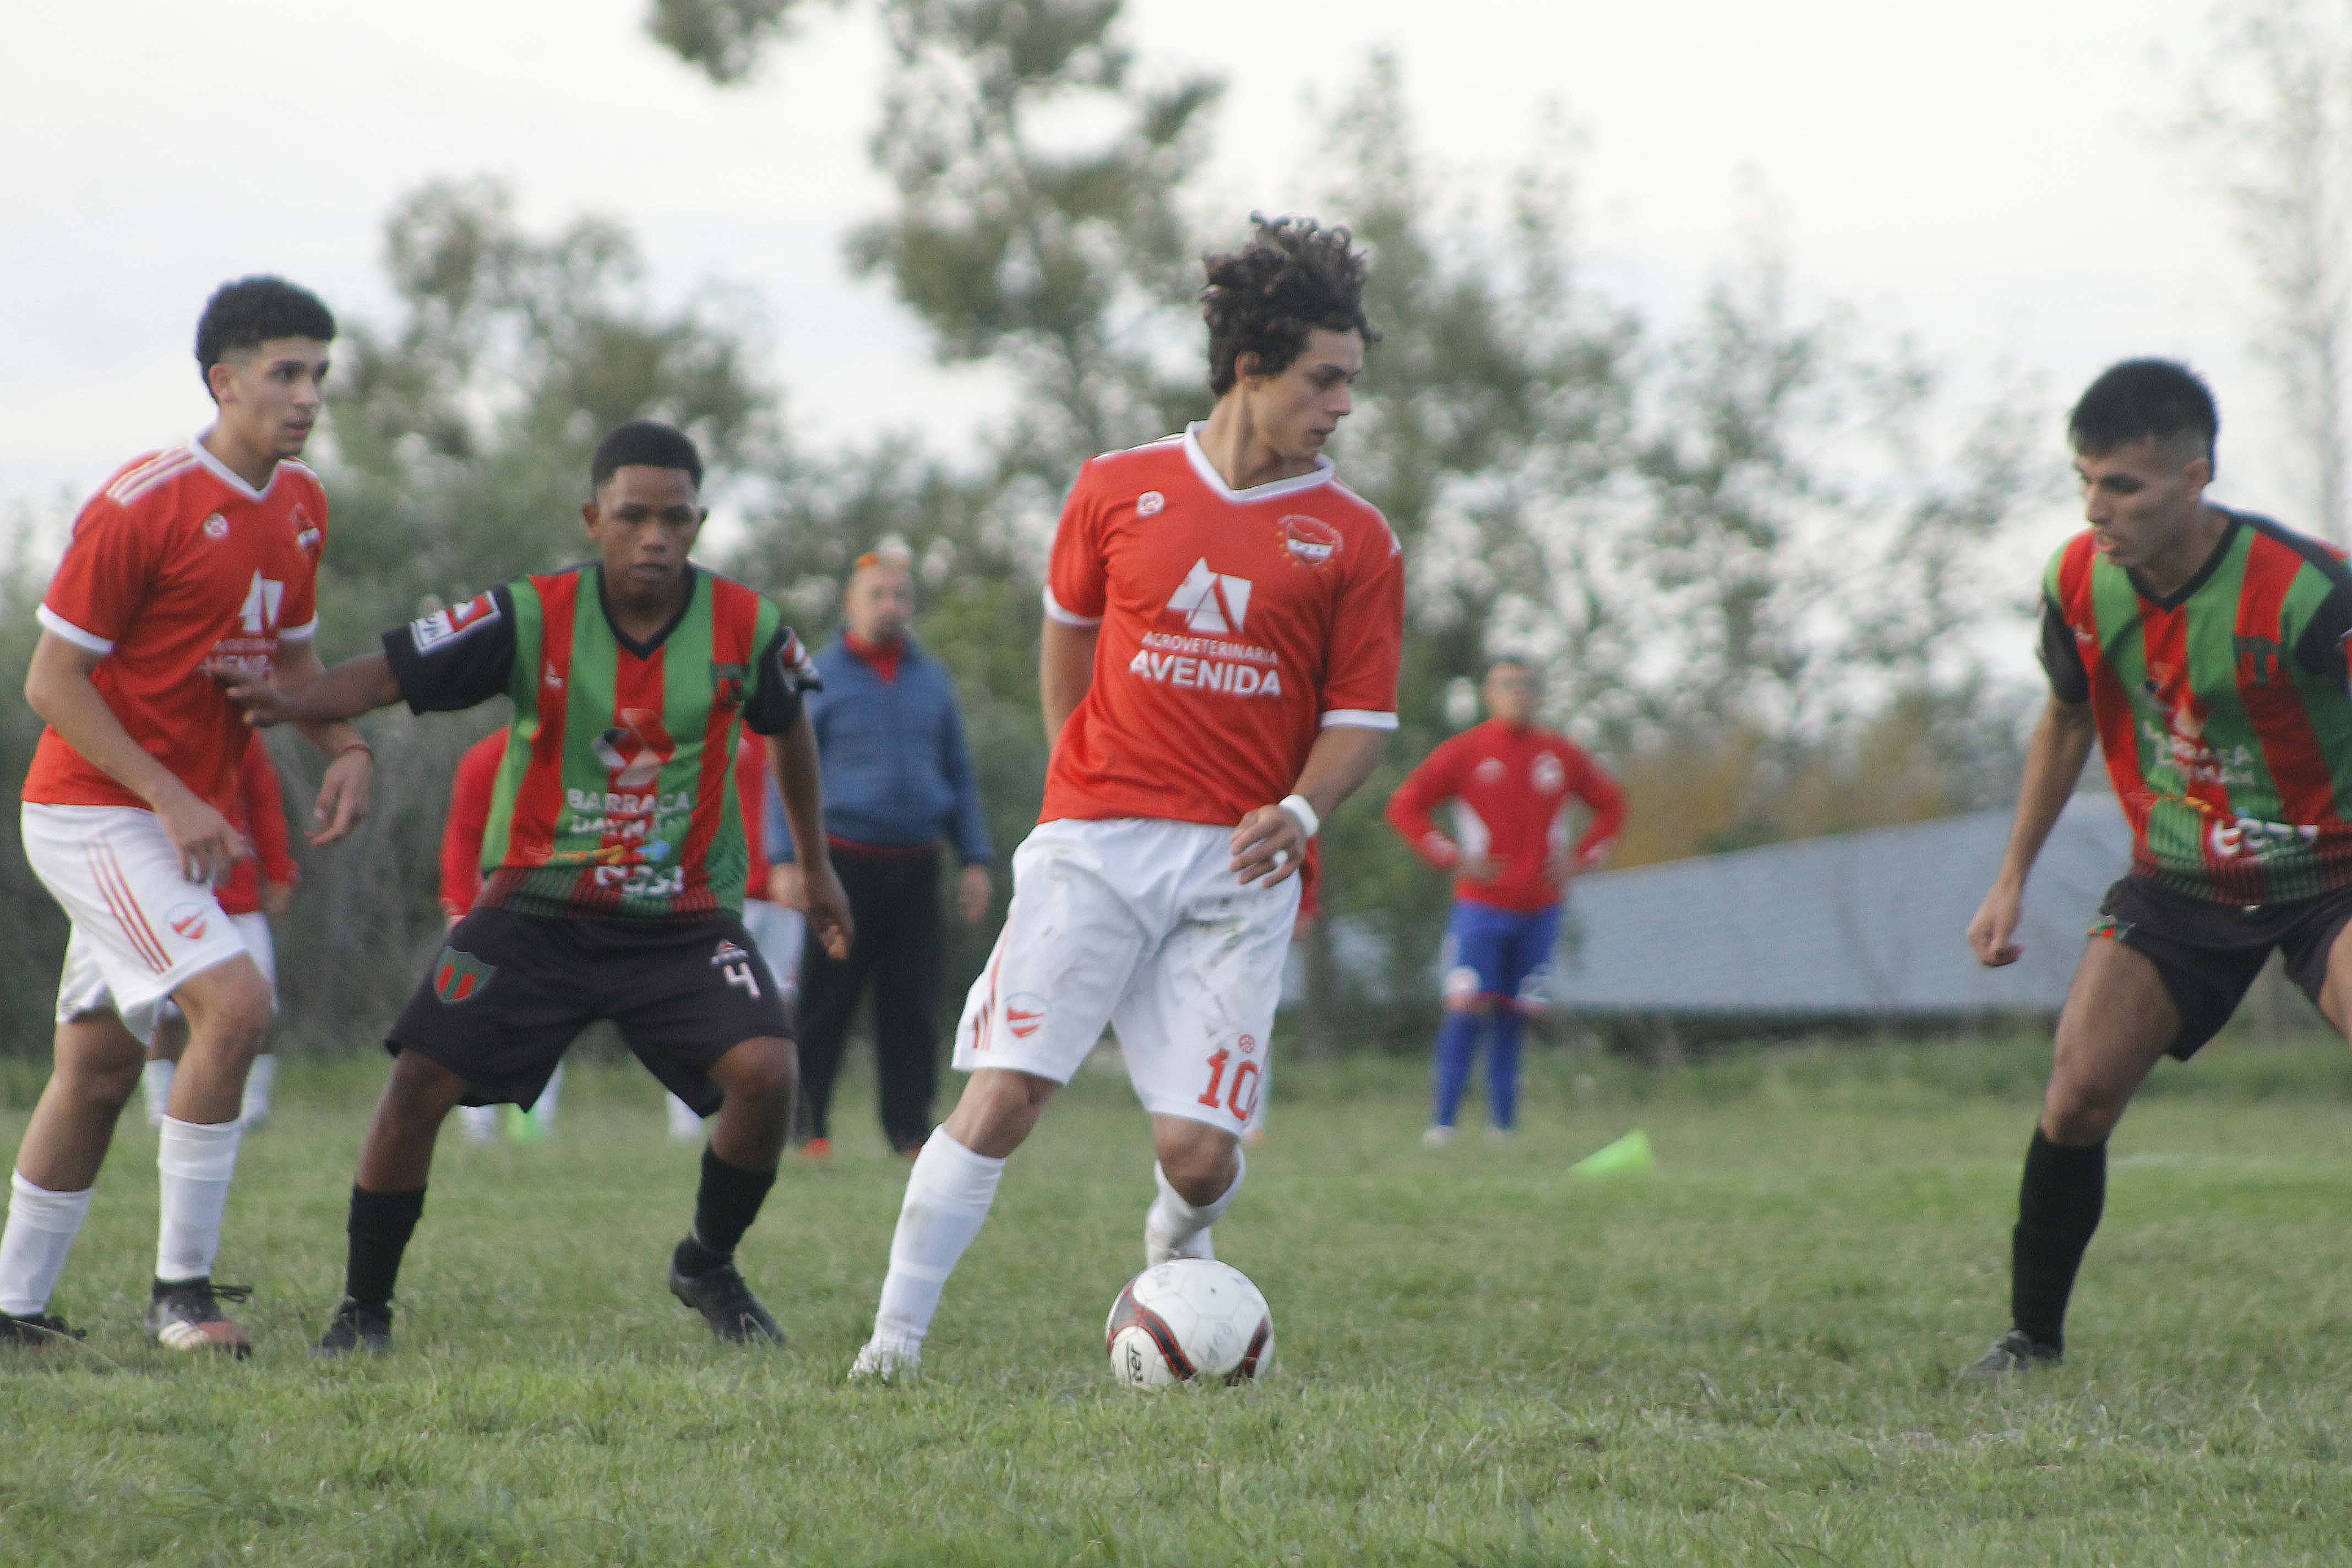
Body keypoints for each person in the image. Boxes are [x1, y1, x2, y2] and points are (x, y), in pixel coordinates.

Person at [848, 216, 1404, 1381]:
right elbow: (1070, 637)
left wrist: (1299, 813)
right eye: (1326, 379)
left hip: (1239, 870)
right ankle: (891, 1347)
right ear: (1250, 367)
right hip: (1095, 847)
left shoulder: (1355, 538)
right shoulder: (1118, 489)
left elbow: (1362, 717)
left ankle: (1179, 1242)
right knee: (1001, 1100)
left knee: (1198, 1154)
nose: (1343, 405)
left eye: (1351, 380)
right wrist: (1075, 784)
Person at [219, 420, 851, 1355]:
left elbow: (788, 724)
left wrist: (819, 861)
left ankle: (707, 1260)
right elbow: (394, 670)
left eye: (675, 518)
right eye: (632, 515)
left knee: (768, 1072)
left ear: (701, 521)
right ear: (594, 517)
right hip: (534, 907)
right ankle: (363, 1308)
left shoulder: (747, 625)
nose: (655, 536)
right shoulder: (531, 612)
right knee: (417, 1078)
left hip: (679, 920)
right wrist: (294, 699)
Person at [1, 277, 372, 1354]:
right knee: (238, 1007)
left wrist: (342, 741)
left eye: (319, 373)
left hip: (164, 823)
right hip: (96, 812)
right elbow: (53, 681)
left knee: (102, 1066)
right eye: (284, 372)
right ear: (224, 379)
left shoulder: (301, 504)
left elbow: (291, 661)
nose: (306, 395)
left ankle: (14, 1307)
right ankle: (181, 1295)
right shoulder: (144, 501)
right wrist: (173, 793)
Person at [1962, 358, 2352, 1378]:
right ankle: (2029, 1341)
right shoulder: (2075, 580)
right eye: (2083, 480)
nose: (2098, 507)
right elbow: (2066, 713)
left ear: (2194, 476)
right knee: (2077, 1092)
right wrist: (2010, 876)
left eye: (2122, 485)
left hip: (2332, 872)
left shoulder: (2311, 590)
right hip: (2181, 875)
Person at [441, 726, 800, 1142]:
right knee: (503, 1012)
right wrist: (460, 905)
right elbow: (464, 837)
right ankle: (478, 1130)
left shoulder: (618, 750)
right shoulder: (489, 759)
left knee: (736, 1011)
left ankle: (543, 1120)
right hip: (506, 906)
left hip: (596, 901)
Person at [770, 547, 993, 1159]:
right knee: (825, 1001)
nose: (890, 605)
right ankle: (808, 1127)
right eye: (878, 594)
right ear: (851, 602)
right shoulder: (817, 674)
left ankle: (910, 1132)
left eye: (900, 595)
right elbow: (783, 771)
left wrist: (975, 858)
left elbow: (958, 773)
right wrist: (786, 856)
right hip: (840, 863)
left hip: (916, 861)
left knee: (913, 1005)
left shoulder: (932, 679)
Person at [1385, 657, 1623, 1146]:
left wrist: (1581, 859)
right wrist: (1449, 853)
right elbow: (1406, 806)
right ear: (1489, 694)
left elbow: (1611, 805)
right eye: (1508, 685)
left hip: (1540, 909)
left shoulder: (1559, 755)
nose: (1519, 694)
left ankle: (1503, 1127)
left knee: (1516, 1013)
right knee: (1466, 1005)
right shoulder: (1466, 752)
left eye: (1528, 685)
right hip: (1481, 906)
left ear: (1539, 694)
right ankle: (1444, 1124)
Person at [141, 733, 301, 1131]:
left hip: (238, 896)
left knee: (260, 1004)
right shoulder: (147, 730)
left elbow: (264, 802)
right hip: (171, 889)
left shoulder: (240, 735)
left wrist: (279, 874)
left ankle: (253, 1108)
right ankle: (159, 1108)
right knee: (168, 1010)